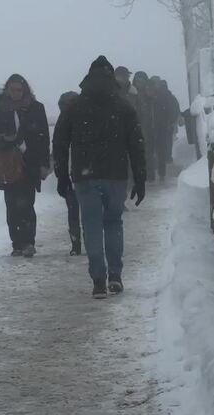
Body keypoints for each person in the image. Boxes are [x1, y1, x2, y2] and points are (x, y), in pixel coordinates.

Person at [53, 56, 146, 299]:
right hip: (115, 175)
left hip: (85, 176)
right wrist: (140, 177)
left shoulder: (75, 107)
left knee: (92, 226)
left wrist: (62, 176)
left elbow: (60, 142)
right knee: (113, 223)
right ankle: (115, 275)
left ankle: (98, 280)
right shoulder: (123, 107)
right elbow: (136, 144)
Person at [0, 74, 51, 258]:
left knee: (27, 204)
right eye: (12, 90)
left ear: (25, 91)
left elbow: (44, 137)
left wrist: (44, 163)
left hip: (30, 162)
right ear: (6, 90)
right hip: (8, 162)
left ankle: (29, 242)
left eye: (19, 90)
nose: (16, 94)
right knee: (12, 205)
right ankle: (17, 243)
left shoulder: (36, 108)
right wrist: (5, 139)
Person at [53, 91, 82, 255]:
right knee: (85, 212)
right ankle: (83, 243)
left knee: (74, 212)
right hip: (79, 175)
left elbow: (58, 150)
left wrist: (61, 176)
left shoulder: (63, 123)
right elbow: (58, 151)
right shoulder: (68, 123)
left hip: (77, 175)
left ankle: (76, 245)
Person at [154, 79, 181, 181]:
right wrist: (173, 121)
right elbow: (176, 109)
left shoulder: (158, 97)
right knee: (167, 143)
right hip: (168, 125)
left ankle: (162, 162)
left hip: (161, 126)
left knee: (161, 145)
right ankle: (167, 159)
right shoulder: (171, 97)